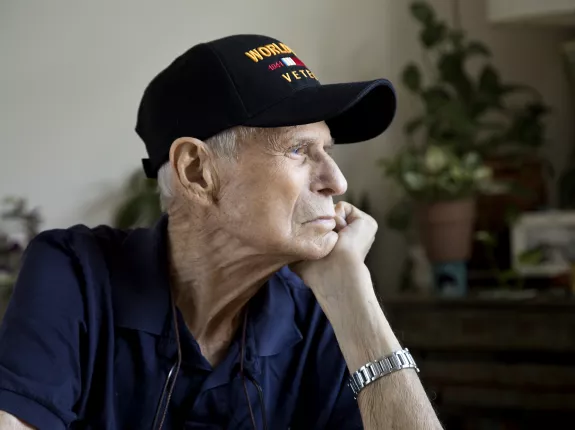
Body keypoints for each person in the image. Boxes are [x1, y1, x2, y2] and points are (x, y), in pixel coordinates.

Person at [0, 34, 442, 429]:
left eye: (326, 150)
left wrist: (354, 299)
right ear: (196, 171)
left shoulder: (319, 314)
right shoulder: (75, 273)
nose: (337, 182)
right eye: (297, 149)